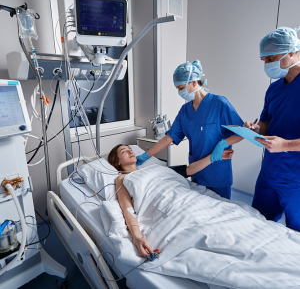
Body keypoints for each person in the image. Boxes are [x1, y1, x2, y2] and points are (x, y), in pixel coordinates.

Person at [136, 60, 243, 199]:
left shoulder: (220, 103)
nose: (179, 92)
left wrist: (223, 143)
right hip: (197, 170)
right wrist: (146, 155)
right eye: (177, 89)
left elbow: (241, 133)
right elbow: (169, 138)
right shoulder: (185, 110)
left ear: (194, 82)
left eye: (181, 88)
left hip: (218, 172)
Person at [107, 144, 233, 258]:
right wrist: (137, 237)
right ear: (117, 161)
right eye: (124, 151)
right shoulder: (122, 178)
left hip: (188, 198)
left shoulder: (156, 167)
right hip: (168, 206)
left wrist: (214, 156)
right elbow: (127, 209)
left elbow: (189, 170)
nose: (130, 151)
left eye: (130, 149)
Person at [244, 26, 300, 231]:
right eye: (264, 60)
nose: (266, 64)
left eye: (271, 58)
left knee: (295, 236)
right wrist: (256, 128)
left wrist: (285, 144)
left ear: (292, 51)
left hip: (296, 178)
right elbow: (267, 121)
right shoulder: (274, 88)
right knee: (257, 224)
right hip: (269, 172)